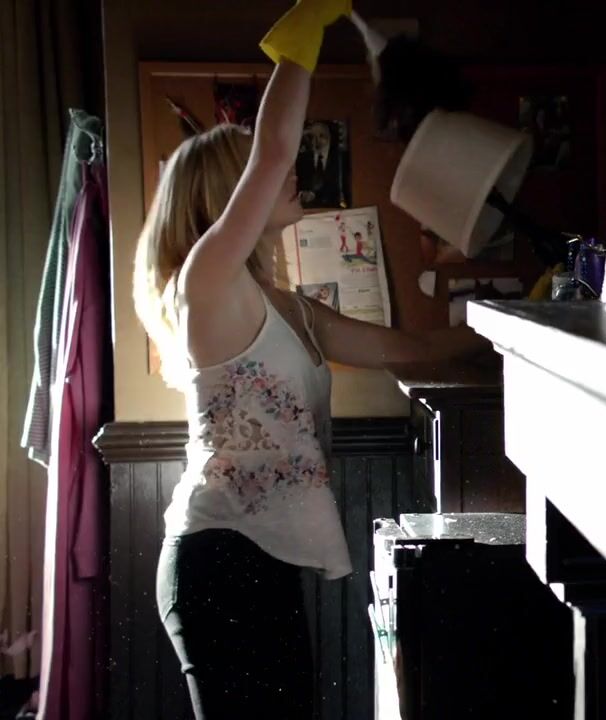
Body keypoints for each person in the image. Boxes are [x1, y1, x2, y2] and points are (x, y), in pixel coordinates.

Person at [132, 2, 491, 717]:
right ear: (229, 198)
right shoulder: (205, 284)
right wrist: (303, 38)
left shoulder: (291, 310)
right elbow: (272, 153)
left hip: (262, 560)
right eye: (256, 173)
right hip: (217, 557)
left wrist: (515, 319)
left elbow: (412, 348)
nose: (289, 170)